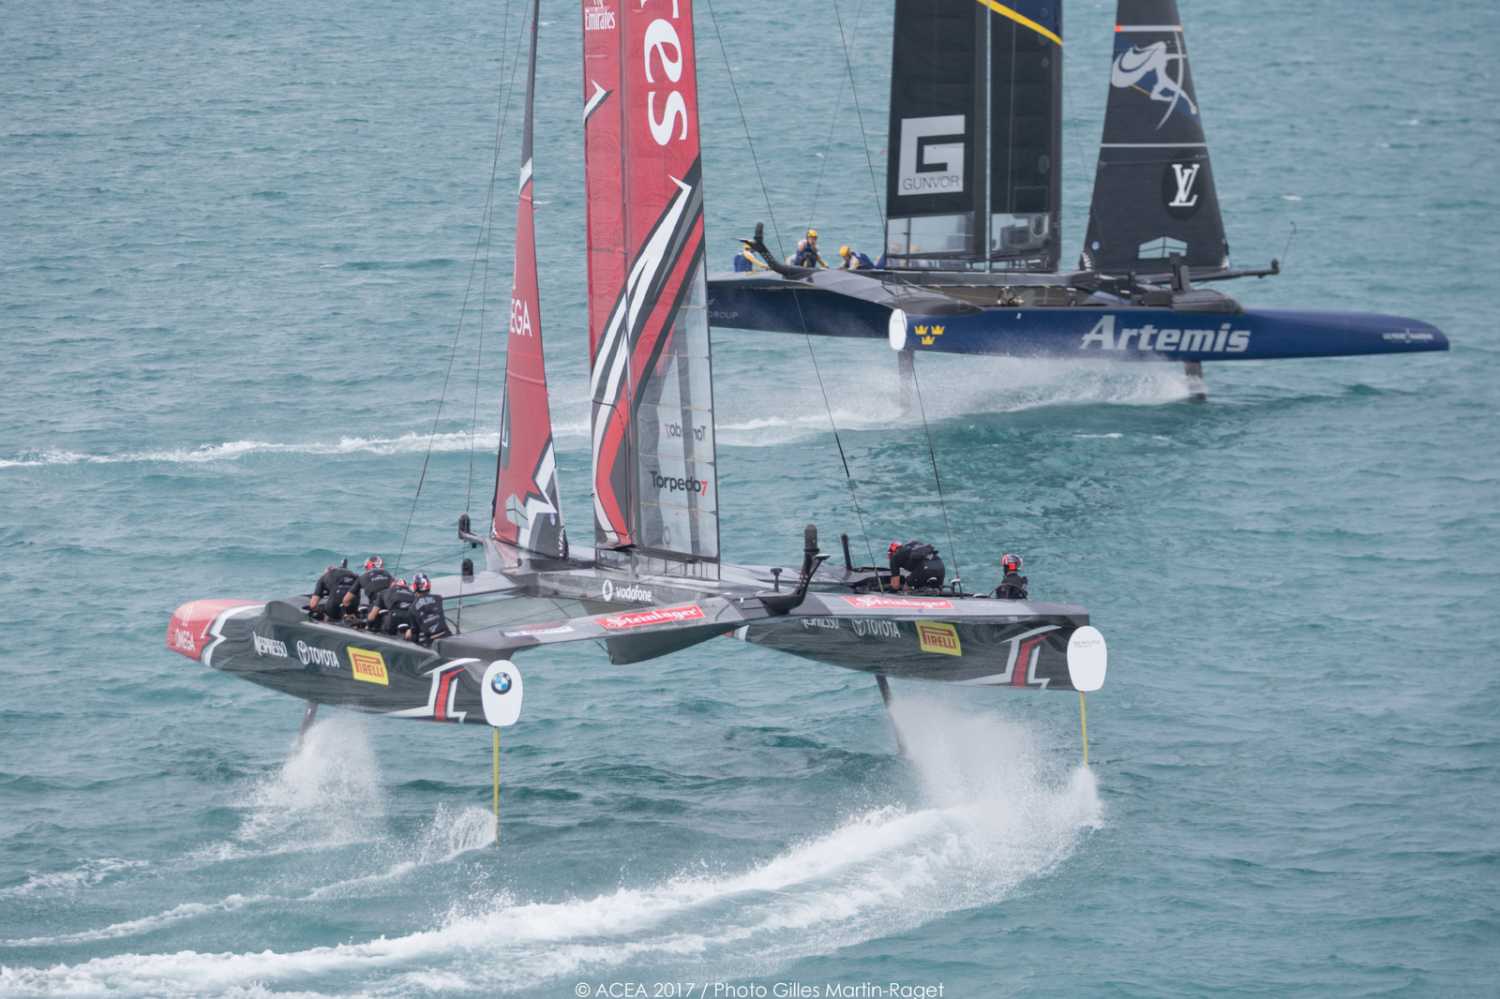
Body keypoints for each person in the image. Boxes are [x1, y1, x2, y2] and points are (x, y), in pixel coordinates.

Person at [342, 555, 393, 624]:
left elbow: (346, 600)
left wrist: (349, 614)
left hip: (374, 608)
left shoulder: (362, 577)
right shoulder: (388, 575)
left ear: (367, 566)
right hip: (390, 607)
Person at [408, 573, 452, 646]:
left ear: (415, 586)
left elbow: (415, 633)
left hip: (431, 642)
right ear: (428, 585)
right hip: (447, 635)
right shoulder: (438, 598)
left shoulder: (412, 608)